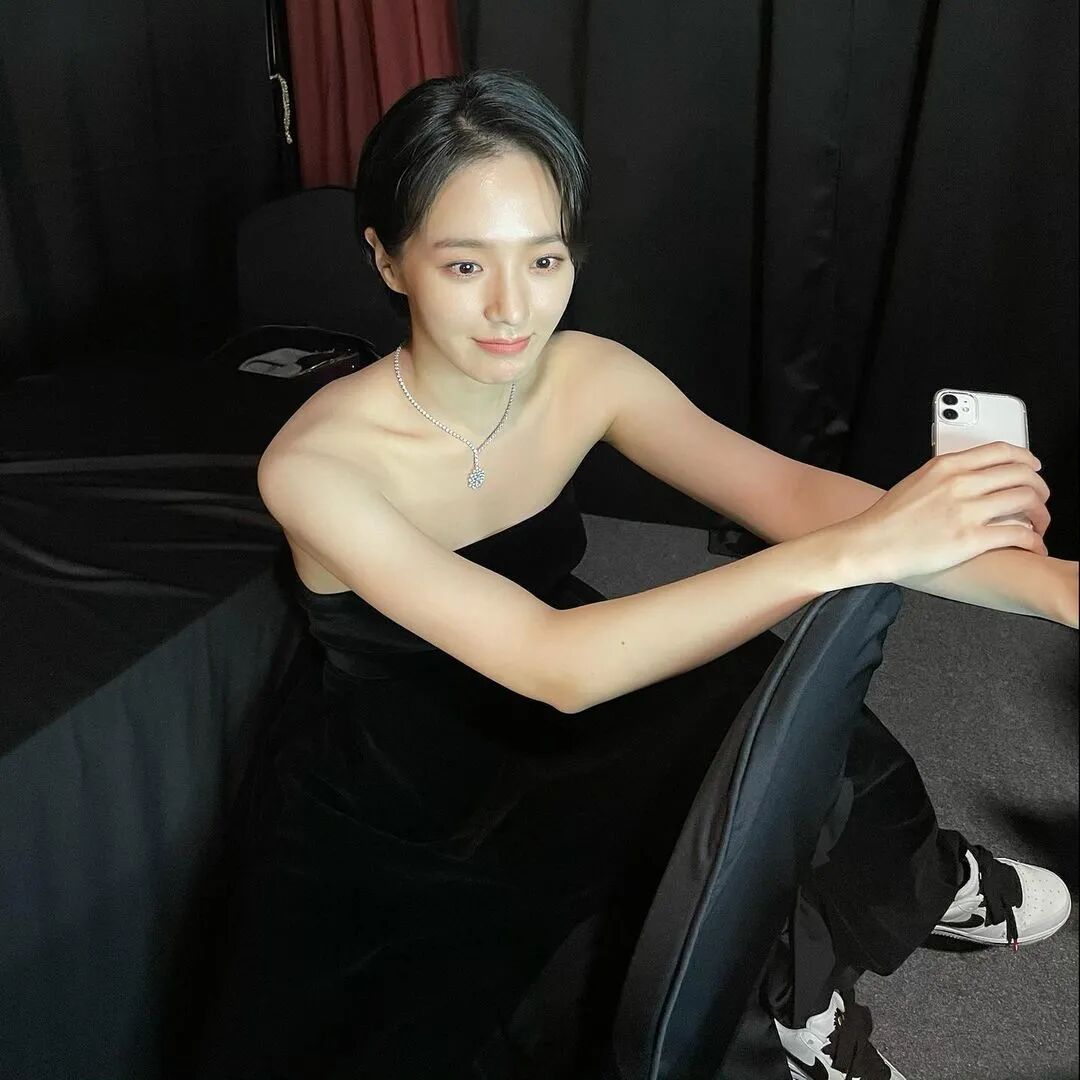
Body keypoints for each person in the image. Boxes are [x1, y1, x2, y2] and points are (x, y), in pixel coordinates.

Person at [192, 70, 1076, 1080]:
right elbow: (552, 662)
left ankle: (913, 888)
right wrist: (873, 545)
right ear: (388, 260)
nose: (513, 308)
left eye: (545, 258)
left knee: (802, 729)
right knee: (570, 973)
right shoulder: (314, 466)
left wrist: (1052, 586)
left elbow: (785, 492)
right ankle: (785, 998)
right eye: (465, 264)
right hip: (424, 770)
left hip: (582, 664)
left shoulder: (585, 372)